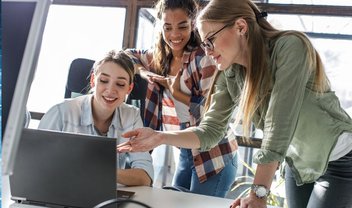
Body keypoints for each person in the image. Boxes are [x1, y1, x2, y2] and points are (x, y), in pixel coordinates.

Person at [119, 0, 352, 207]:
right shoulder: (231, 73)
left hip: (340, 161)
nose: (207, 52)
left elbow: (279, 122)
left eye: (210, 41)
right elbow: (210, 130)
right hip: (299, 164)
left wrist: (258, 192)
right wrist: (161, 137)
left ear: (240, 27)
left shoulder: (290, 47)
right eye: (204, 45)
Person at [125, 0, 238, 198]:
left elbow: (213, 111)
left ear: (193, 24)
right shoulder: (159, 58)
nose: (175, 35)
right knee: (175, 201)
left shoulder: (204, 57)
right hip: (186, 149)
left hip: (214, 153)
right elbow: (127, 55)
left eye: (183, 26)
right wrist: (143, 72)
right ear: (160, 25)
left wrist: (177, 93)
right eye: (168, 27)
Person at [38, 50, 153, 187]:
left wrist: (100, 171)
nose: (110, 90)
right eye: (104, 81)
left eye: (120, 84)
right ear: (93, 80)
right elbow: (36, 167)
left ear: (129, 88)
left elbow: (145, 176)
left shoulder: (131, 116)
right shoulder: (60, 113)